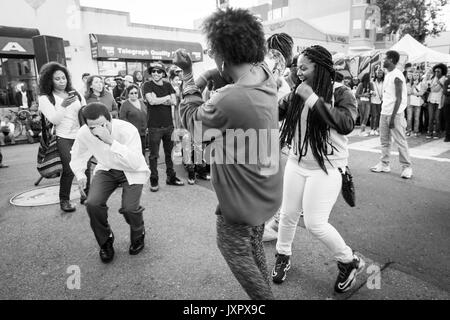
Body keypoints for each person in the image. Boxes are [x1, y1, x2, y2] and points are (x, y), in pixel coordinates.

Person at [173, 7, 282, 300]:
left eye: (212, 51)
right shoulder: (264, 73)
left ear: (222, 53)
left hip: (243, 195)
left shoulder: (230, 97)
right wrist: (214, 69)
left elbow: (191, 123)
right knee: (253, 244)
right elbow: (224, 75)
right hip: (264, 186)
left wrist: (187, 77)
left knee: (232, 248)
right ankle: (266, 292)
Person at [271, 45, 363, 294]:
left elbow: (345, 123)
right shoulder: (294, 94)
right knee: (288, 214)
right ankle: (283, 255)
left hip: (327, 169)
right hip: (296, 163)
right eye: (297, 67)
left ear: (319, 68)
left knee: (314, 224)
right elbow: (273, 112)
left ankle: (349, 260)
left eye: (304, 68)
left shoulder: (341, 92)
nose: (298, 72)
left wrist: (311, 98)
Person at [70, 102, 150, 263]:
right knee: (92, 203)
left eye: (102, 124)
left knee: (129, 208)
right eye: (92, 127)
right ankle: (105, 241)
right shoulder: (84, 132)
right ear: (86, 125)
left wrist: (111, 141)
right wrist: (80, 175)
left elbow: (135, 162)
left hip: (131, 170)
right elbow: (78, 154)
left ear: (110, 119)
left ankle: (138, 232)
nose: (97, 130)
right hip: (106, 168)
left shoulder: (127, 130)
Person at [38, 62, 86, 212]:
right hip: (63, 136)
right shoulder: (45, 98)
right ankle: (64, 200)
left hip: (80, 135)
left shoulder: (75, 93)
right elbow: (55, 120)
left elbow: (84, 111)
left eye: (63, 78)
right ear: (49, 80)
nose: (61, 81)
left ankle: (86, 194)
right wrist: (63, 105)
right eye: (57, 79)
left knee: (85, 166)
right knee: (69, 169)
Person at [370, 50, 413, 179]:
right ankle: (384, 164)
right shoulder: (388, 74)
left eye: (385, 59)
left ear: (392, 60)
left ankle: (407, 167)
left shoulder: (397, 75)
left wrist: (393, 117)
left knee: (400, 141)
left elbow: (399, 98)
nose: (383, 61)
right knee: (384, 141)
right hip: (385, 112)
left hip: (396, 114)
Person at [143, 62, 184, 192]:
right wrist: (165, 98)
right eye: (153, 71)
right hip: (154, 126)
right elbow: (151, 101)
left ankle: (171, 177)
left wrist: (160, 98)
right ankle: (154, 180)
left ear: (163, 74)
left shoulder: (167, 85)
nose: (156, 73)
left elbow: (174, 101)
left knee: (169, 154)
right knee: (154, 156)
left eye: (159, 71)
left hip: (168, 126)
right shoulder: (147, 85)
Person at [119, 85, 147, 155]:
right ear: (128, 94)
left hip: (143, 132)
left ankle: (143, 164)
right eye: (131, 93)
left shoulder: (141, 102)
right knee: (134, 151)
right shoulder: (125, 104)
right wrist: (131, 128)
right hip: (132, 134)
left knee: (142, 150)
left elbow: (146, 114)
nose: (134, 95)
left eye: (136, 93)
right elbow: (122, 118)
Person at [427, 63, 447, 139]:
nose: (436, 73)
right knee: (431, 117)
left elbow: (438, 89)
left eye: (438, 71)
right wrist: (436, 85)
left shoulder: (445, 79)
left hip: (439, 101)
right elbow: (432, 89)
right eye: (435, 71)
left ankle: (437, 132)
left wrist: (439, 85)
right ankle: (430, 131)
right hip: (431, 100)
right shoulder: (433, 78)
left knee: (437, 118)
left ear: (442, 71)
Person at [407, 71, 425, 137]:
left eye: (417, 75)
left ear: (419, 76)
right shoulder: (409, 84)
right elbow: (408, 92)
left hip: (418, 104)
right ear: (412, 76)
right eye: (414, 75)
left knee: (416, 118)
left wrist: (413, 93)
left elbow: (421, 93)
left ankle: (415, 131)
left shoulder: (422, 84)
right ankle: (409, 130)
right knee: (409, 118)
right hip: (410, 103)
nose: (416, 76)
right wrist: (414, 85)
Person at [370, 68, 384, 136]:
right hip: (373, 100)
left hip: (381, 100)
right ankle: (372, 129)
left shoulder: (383, 81)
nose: (379, 74)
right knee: (374, 115)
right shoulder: (372, 81)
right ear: (376, 74)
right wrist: (372, 92)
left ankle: (376, 128)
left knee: (378, 115)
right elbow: (369, 89)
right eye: (378, 73)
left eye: (381, 73)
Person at [443, 73, 450, 142]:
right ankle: (447, 136)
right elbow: (445, 92)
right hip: (448, 103)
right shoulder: (447, 81)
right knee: (448, 120)